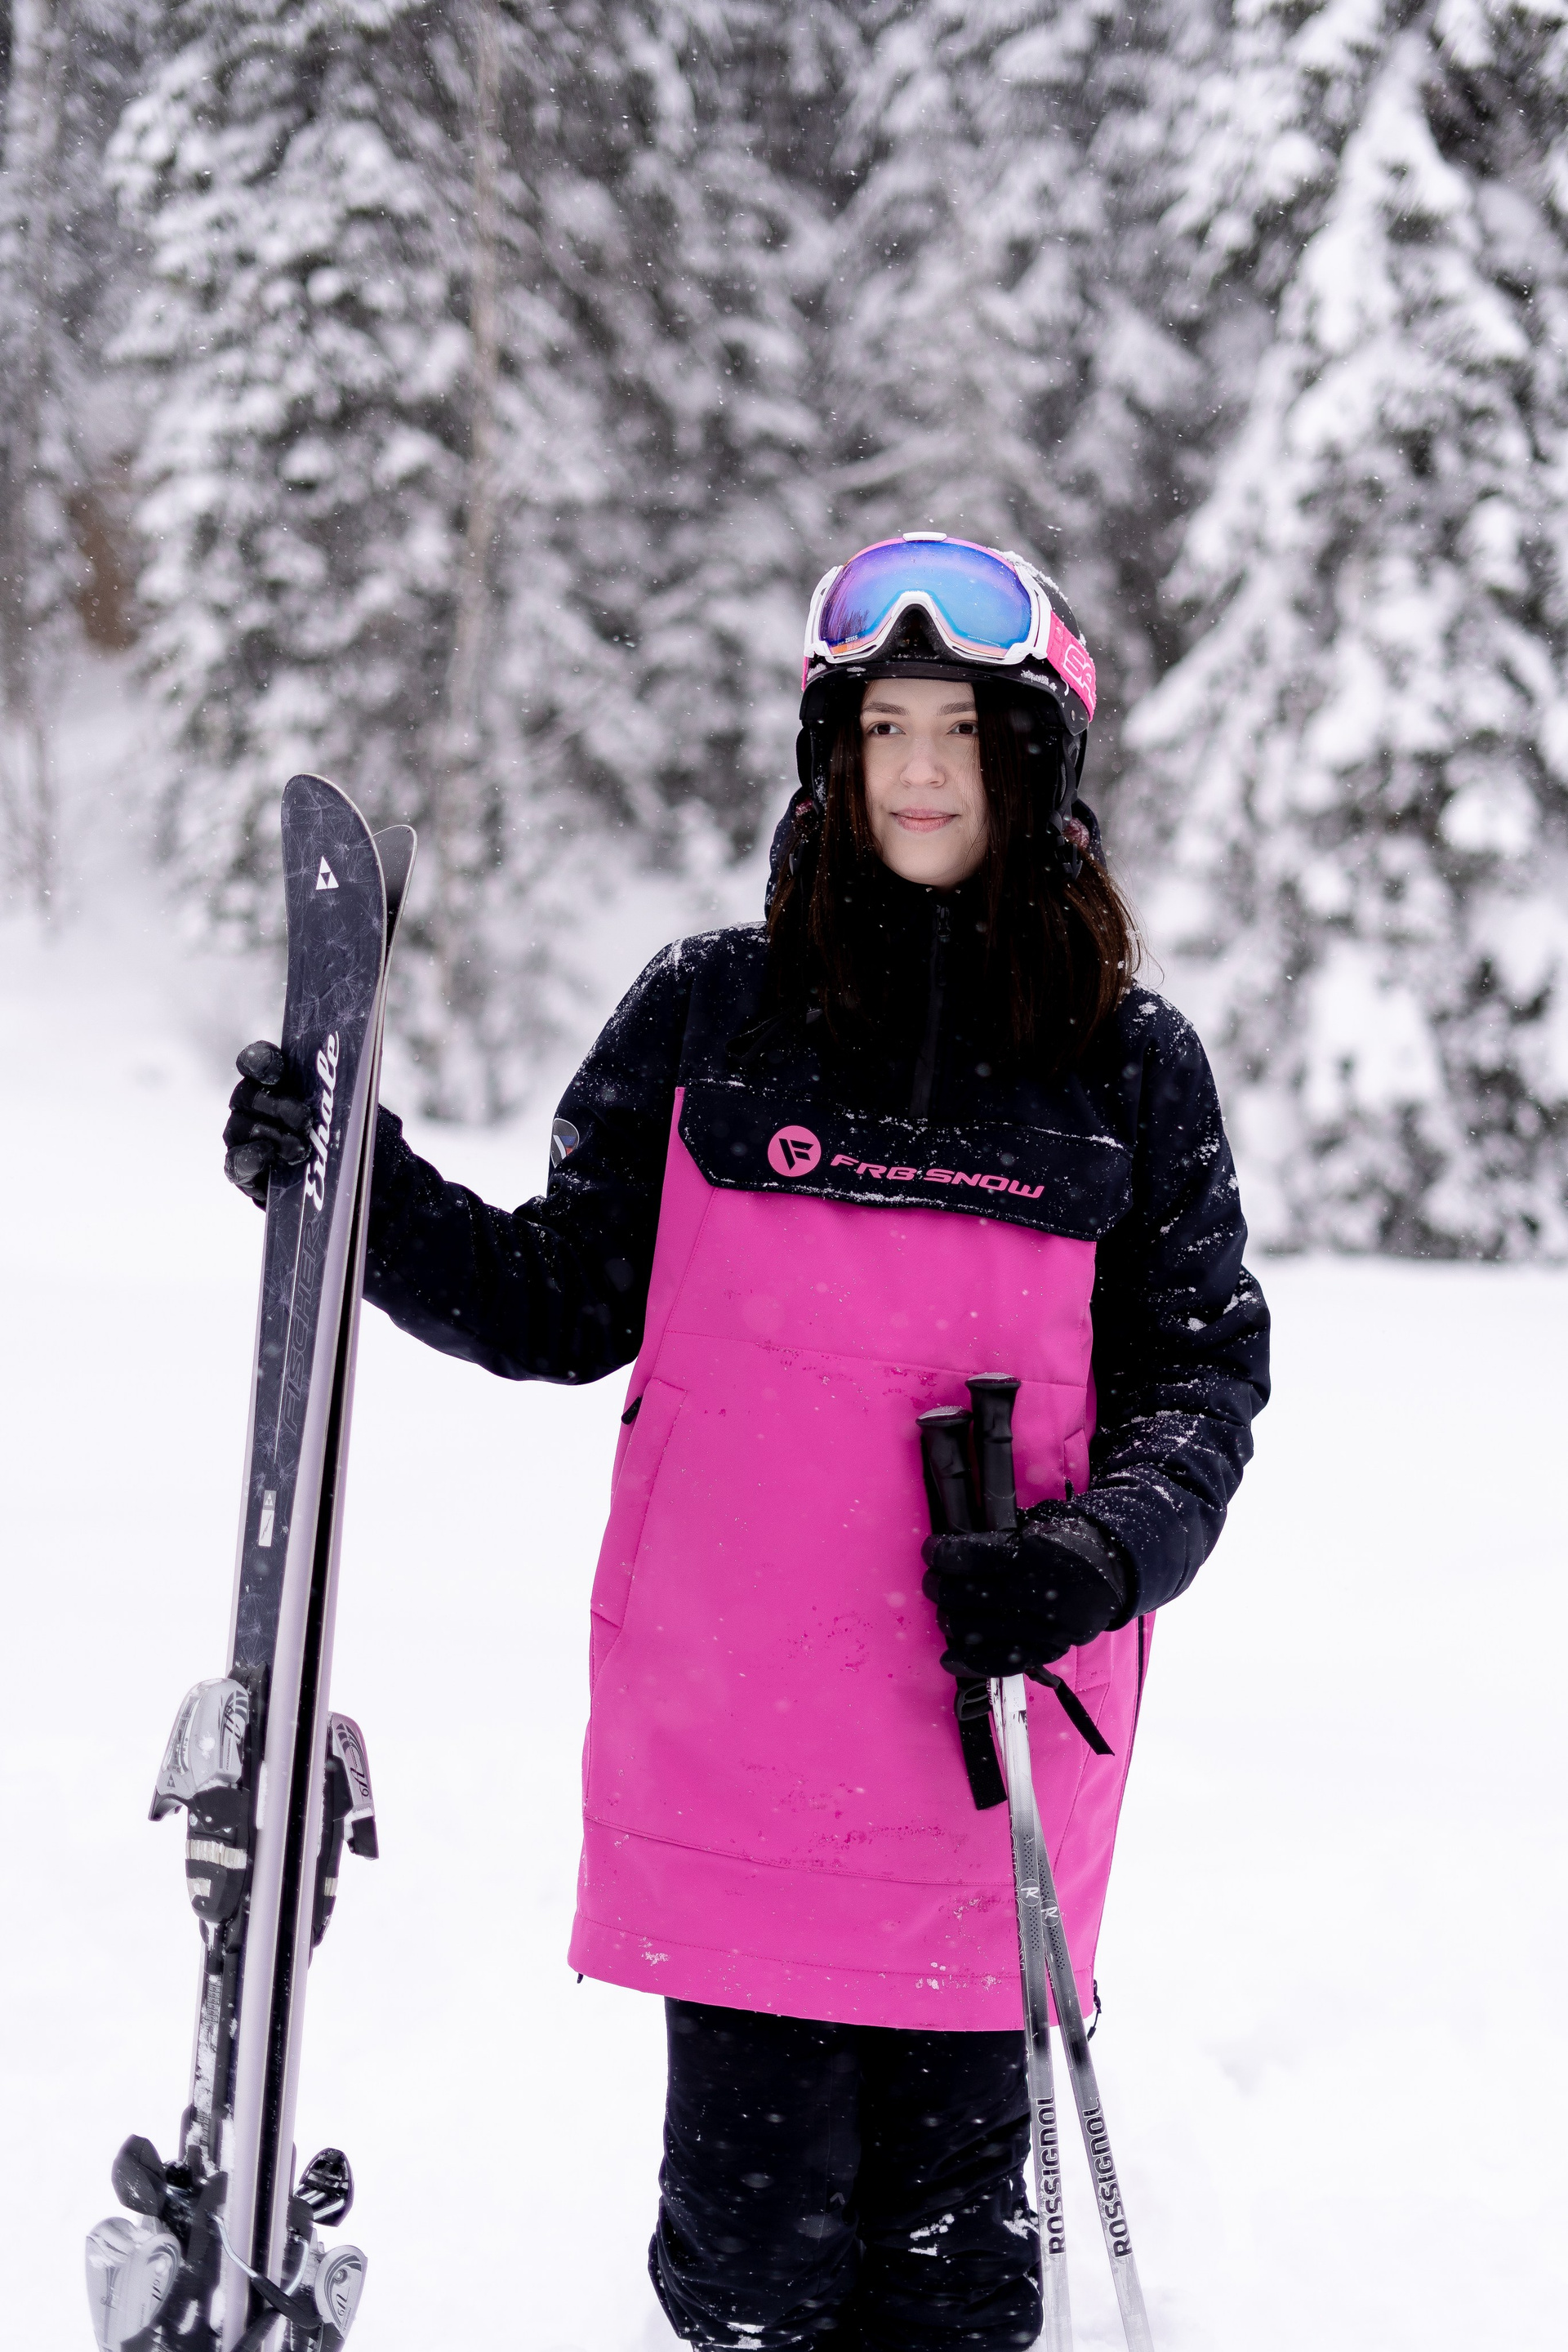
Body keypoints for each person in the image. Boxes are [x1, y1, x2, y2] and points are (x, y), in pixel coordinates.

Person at [224, 533, 1270, 2352]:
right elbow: (558, 1300)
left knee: (948, 2284)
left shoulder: (1126, 1063)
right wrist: (359, 1192)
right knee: (752, 2272)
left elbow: (1201, 1385)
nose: (921, 769)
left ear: (1035, 760)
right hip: (737, 1749)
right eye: (885, 729)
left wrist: (1097, 1556)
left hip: (986, 1763)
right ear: (832, 755)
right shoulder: (713, 1012)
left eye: (963, 730)